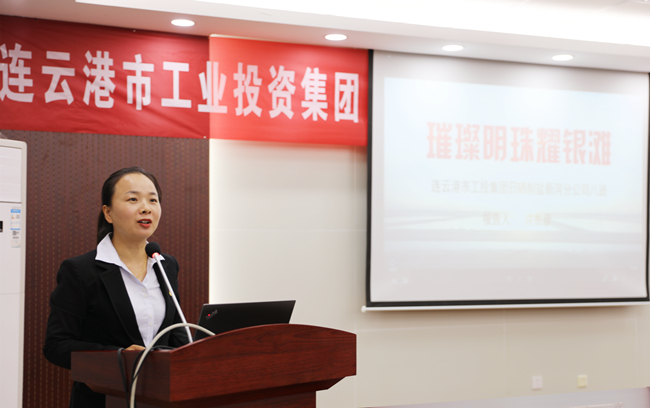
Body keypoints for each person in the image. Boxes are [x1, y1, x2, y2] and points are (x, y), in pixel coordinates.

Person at [43, 167, 189, 408]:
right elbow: (56, 346)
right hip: (103, 398)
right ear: (108, 213)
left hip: (159, 397)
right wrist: (118, 356)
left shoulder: (166, 265)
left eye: (153, 200)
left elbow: (175, 332)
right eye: (133, 199)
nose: (146, 208)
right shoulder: (80, 270)